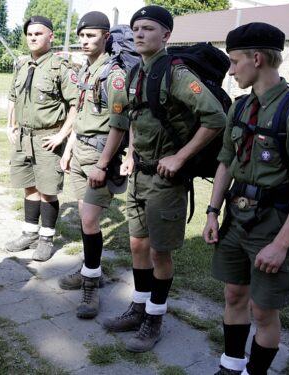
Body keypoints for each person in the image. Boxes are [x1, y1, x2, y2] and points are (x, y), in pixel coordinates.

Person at [202, 22, 289, 375]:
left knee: (263, 310)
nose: (231, 69)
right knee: (233, 296)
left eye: (234, 61)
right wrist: (212, 212)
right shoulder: (240, 109)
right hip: (235, 217)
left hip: (272, 224)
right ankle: (231, 364)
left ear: (256, 58)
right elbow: (226, 161)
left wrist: (281, 244)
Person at [101, 5, 226, 353]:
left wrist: (181, 156)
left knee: (159, 252)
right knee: (137, 245)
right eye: (136, 28)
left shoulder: (176, 72)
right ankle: (138, 308)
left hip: (166, 180)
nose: (140, 34)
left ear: (166, 35)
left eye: (149, 29)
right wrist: (128, 156)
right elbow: (135, 119)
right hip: (139, 175)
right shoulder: (136, 72)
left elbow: (216, 119)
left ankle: (154, 319)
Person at [57, 11, 128, 319]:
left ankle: (92, 283)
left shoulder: (114, 75)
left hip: (101, 158)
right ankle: (90, 267)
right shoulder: (87, 70)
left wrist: (102, 164)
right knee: (88, 221)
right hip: (81, 152)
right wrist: (69, 148)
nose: (85, 41)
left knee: (88, 220)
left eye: (92, 36)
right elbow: (81, 113)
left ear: (106, 37)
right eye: (82, 36)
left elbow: (119, 124)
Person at [3, 15, 79, 261]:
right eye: (29, 34)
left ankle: (46, 238)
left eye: (38, 33)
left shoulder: (61, 67)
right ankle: (29, 233)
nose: (33, 37)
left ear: (50, 36)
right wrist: (10, 125)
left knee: (47, 190)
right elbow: (13, 98)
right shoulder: (22, 65)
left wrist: (61, 135)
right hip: (23, 137)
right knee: (29, 186)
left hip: (48, 138)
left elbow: (76, 105)